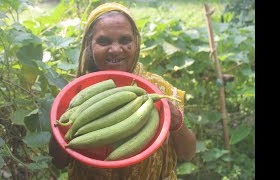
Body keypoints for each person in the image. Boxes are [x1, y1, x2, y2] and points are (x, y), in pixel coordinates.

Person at [49, 2, 196, 179]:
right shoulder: (75, 94)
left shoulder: (160, 89)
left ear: (136, 42)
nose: (116, 49)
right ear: (89, 45)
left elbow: (188, 153)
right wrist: (61, 122)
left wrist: (176, 119)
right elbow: (58, 162)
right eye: (104, 41)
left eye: (125, 40)